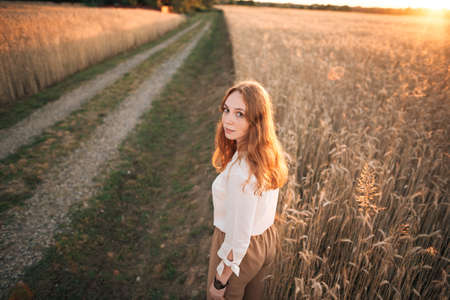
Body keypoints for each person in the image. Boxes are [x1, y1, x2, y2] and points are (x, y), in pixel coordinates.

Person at [207, 80, 288, 300]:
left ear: (256, 120)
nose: (228, 120)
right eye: (226, 110)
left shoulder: (241, 172)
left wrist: (219, 281)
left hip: (239, 251)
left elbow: (238, 238)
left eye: (240, 114)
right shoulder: (266, 152)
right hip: (265, 240)